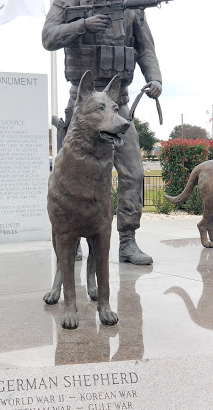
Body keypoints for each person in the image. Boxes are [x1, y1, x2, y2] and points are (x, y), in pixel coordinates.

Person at [42, 0, 162, 265]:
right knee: (72, 176)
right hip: (81, 105)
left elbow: (145, 50)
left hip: (119, 105)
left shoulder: (132, 6)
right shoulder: (68, 2)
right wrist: (84, 25)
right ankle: (71, 241)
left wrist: (155, 78)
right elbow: (48, 37)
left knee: (133, 172)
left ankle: (127, 241)